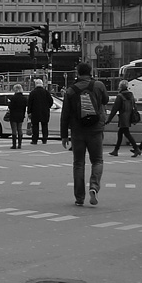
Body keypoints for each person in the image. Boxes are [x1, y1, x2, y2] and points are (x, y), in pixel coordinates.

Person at [61, 62, 109, 207]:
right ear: (90, 72)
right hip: (95, 129)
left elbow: (65, 114)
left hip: (77, 130)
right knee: (97, 161)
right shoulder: (99, 85)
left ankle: (79, 198)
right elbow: (106, 100)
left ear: (77, 73)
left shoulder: (70, 90)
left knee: (78, 163)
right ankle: (94, 187)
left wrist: (64, 135)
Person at [105, 80, 141, 157]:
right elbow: (134, 105)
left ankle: (136, 148)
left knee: (126, 133)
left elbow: (115, 108)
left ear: (120, 87)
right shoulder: (131, 94)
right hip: (129, 115)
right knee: (121, 133)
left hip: (123, 116)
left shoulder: (120, 96)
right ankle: (116, 150)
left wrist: (109, 119)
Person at [27, 79, 53, 145]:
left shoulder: (33, 93)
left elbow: (29, 103)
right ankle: (44, 139)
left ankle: (35, 139)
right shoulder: (46, 92)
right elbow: (51, 101)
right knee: (44, 126)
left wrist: (29, 111)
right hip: (45, 111)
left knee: (35, 126)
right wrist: (47, 107)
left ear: (36, 84)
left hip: (35, 112)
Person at [6, 84, 28, 149]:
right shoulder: (24, 98)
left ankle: (14, 145)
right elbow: (25, 107)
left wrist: (9, 103)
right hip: (21, 115)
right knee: (20, 129)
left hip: (13, 115)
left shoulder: (13, 98)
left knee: (14, 130)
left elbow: (10, 107)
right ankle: (20, 144)